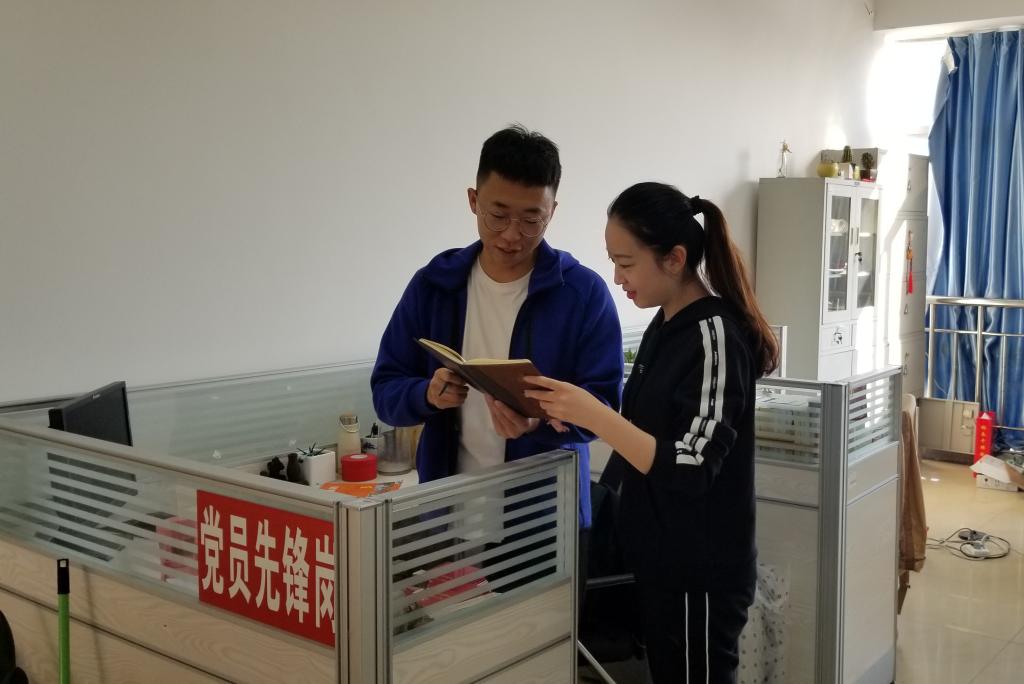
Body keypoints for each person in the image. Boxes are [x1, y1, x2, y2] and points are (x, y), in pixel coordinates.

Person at [524, 182, 779, 683]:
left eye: (626, 263)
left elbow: (691, 466)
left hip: (700, 571)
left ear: (674, 259)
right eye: (613, 262)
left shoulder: (714, 336)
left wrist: (597, 416)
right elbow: (645, 435)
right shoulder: (663, 326)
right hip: (660, 560)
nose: (616, 277)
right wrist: (561, 414)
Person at [370, 124, 623, 547]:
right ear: (473, 200)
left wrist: (537, 423)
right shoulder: (435, 285)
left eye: (531, 220)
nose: (511, 234)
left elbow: (605, 408)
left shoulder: (581, 294)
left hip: (544, 522)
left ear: (552, 211)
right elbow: (385, 392)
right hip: (447, 514)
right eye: (498, 215)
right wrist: (426, 394)